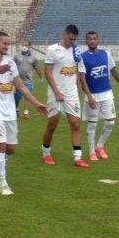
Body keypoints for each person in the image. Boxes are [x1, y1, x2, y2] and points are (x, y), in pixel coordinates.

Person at [0, 31, 48, 195]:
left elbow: (21, 86)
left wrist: (36, 103)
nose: (7, 46)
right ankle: (4, 184)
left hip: (9, 112)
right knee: (1, 146)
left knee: (10, 149)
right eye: (4, 43)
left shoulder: (10, 63)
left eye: (8, 43)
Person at [41, 24, 90, 168]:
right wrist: (56, 91)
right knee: (52, 125)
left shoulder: (76, 50)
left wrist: (77, 88)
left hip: (71, 93)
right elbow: (47, 72)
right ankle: (46, 153)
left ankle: (77, 157)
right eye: (70, 39)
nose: (72, 41)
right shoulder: (52, 49)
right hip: (55, 92)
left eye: (74, 39)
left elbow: (77, 70)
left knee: (75, 124)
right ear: (64, 35)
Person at [78, 31, 119, 161]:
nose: (92, 41)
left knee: (110, 122)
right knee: (92, 124)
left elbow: (113, 71)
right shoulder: (82, 57)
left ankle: (99, 146)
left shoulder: (105, 54)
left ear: (98, 40)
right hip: (92, 95)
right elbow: (82, 79)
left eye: (94, 39)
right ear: (86, 41)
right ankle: (91, 152)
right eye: (90, 39)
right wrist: (89, 97)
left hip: (106, 93)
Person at [13, 41, 44, 120]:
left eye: (26, 45)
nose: (24, 46)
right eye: (23, 45)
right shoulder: (17, 55)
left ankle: (26, 113)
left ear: (30, 46)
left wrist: (41, 77)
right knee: (17, 98)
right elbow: (12, 66)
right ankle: (16, 111)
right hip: (18, 81)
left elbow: (37, 68)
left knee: (28, 96)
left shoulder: (33, 58)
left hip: (28, 81)